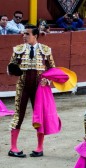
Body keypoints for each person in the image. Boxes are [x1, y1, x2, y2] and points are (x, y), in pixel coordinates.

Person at [8, 25, 55, 157]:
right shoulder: (18, 49)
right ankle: (13, 147)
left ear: (35, 36)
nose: (24, 36)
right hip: (22, 85)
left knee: (39, 115)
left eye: (27, 34)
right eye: (23, 34)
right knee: (18, 114)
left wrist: (47, 80)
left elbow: (52, 69)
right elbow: (11, 67)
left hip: (39, 87)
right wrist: (12, 70)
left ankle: (39, 148)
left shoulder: (45, 50)